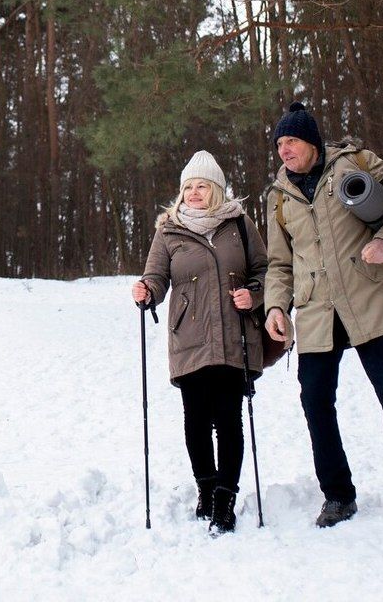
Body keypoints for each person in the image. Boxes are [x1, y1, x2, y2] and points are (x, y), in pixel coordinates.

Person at [263, 102, 383, 530]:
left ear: (312, 141)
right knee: (315, 402)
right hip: (318, 312)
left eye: (292, 141)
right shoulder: (278, 197)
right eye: (279, 143)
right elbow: (279, 263)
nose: (285, 150)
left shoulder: (356, 163)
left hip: (370, 300)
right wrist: (274, 306)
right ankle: (338, 496)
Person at [132, 150, 268, 535]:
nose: (194, 193)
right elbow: (156, 276)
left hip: (233, 335)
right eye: (188, 187)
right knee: (195, 421)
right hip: (188, 337)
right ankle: (205, 489)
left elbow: (264, 269)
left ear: (217, 190)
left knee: (228, 419)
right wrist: (147, 290)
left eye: (202, 186)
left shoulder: (239, 224)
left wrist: (253, 295)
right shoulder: (169, 230)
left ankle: (225, 499)